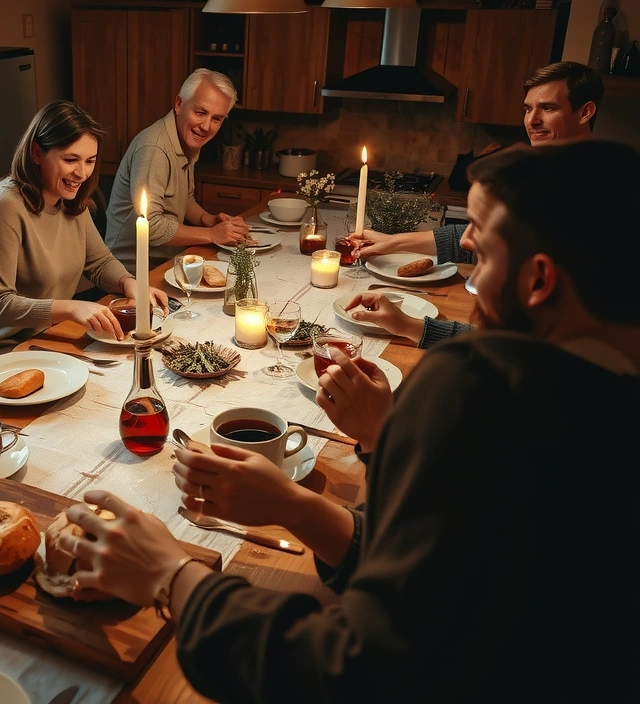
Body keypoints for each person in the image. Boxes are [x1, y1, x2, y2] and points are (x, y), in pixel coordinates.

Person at [56, 141, 640, 701]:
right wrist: (297, 506)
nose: (469, 272)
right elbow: (440, 598)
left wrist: (171, 576)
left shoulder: (481, 388)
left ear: (540, 281)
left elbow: (353, 674)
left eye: (480, 254)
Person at [348, 61, 604, 348]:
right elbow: (480, 238)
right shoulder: (545, 176)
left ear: (585, 112)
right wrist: (392, 242)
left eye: (548, 108)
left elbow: (530, 344)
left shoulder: (595, 198)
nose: (532, 120)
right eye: (528, 108)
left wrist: (414, 327)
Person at [0, 100, 168, 384]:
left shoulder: (70, 202)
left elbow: (99, 262)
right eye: (70, 159)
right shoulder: (1, 207)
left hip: (41, 342)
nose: (82, 172)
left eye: (89, 161)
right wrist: (71, 307)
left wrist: (130, 284)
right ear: (38, 153)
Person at [103, 69, 250, 275]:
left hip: (166, 264)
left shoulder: (186, 139)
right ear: (179, 104)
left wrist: (207, 218)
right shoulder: (155, 149)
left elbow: (184, 198)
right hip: (130, 275)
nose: (206, 126)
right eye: (200, 113)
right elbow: (151, 226)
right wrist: (211, 234)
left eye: (217, 119)